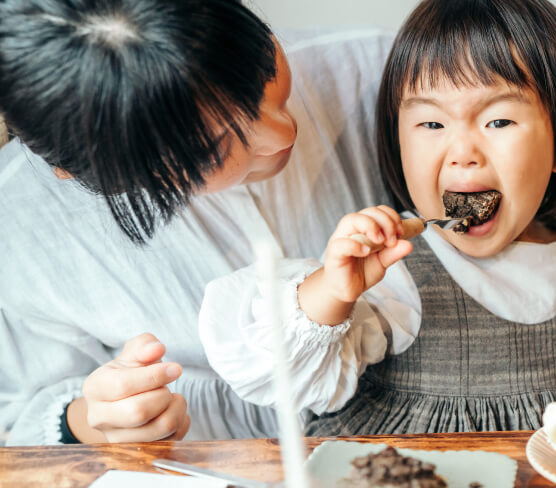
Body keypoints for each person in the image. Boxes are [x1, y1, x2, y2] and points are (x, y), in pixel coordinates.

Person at [200, 0, 556, 435]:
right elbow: (294, 379)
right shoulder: (400, 270)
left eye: (498, 119)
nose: (461, 152)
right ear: (398, 143)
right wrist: (334, 291)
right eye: (430, 123)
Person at [0, 0, 392, 444]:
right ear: (107, 176)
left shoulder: (377, 68)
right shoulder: (15, 223)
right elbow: (15, 420)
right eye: (214, 149)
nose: (284, 132)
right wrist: (91, 420)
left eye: (264, 70)